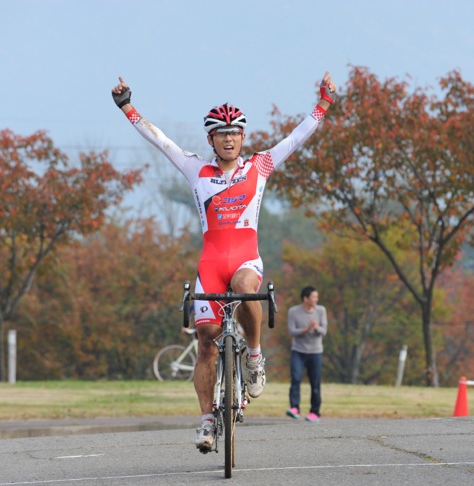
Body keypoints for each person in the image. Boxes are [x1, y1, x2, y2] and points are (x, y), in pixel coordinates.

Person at [111, 72, 336, 452]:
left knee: (246, 289)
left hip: (246, 258)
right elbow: (160, 140)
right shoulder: (195, 168)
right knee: (205, 343)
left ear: (243, 137)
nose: (228, 138)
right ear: (211, 139)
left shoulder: (260, 166)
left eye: (234, 132)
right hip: (210, 263)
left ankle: (254, 357)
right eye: (221, 132)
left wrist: (324, 103)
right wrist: (127, 106)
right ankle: (205, 421)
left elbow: (297, 137)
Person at [286, 286, 327, 422]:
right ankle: (294, 408)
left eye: (316, 297)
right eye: (314, 297)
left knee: (315, 383)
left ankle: (314, 412)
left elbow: (324, 331)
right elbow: (292, 331)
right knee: (296, 379)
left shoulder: (321, 310)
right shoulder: (293, 311)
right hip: (298, 351)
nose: (316, 299)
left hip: (315, 352)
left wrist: (315, 328)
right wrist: (306, 329)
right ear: (306, 298)